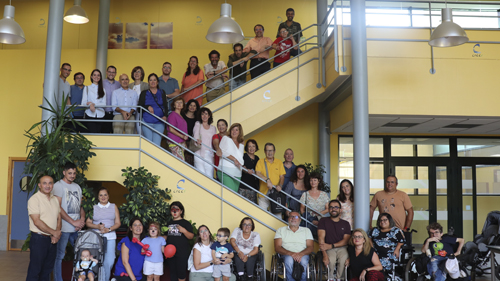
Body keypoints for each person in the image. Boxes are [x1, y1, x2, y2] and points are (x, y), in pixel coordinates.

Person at [52, 162, 85, 281]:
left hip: (76, 229)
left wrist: (81, 220)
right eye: (69, 173)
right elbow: (58, 207)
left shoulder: (77, 187)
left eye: (74, 173)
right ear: (64, 172)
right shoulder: (58, 186)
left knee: (82, 255)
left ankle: (78, 278)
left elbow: (80, 206)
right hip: (64, 228)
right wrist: (73, 222)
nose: (72, 175)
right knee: (59, 256)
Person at [26, 175, 61, 281]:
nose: (47, 185)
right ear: (39, 185)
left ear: (53, 185)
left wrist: (56, 234)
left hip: (52, 240)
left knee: (47, 271)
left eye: (50, 183)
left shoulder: (55, 199)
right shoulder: (34, 199)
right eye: (44, 183)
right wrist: (53, 233)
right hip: (39, 239)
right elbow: (36, 221)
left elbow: (59, 218)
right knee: (35, 271)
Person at [85, 187, 121, 281]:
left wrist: (108, 229)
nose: (103, 197)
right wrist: (97, 227)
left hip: (110, 236)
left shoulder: (113, 206)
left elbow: (118, 223)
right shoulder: (93, 207)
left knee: (110, 260)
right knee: (96, 260)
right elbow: (88, 223)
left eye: (105, 194)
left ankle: (104, 279)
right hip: (96, 237)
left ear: (108, 196)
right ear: (98, 197)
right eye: (101, 195)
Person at [274, 211, 314, 281]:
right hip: (287, 254)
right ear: (288, 219)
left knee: (304, 261)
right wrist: (291, 254)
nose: (293, 218)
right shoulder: (280, 230)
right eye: (291, 216)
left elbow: (310, 247)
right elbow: (277, 247)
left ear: (300, 220)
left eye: (296, 217)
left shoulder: (306, 230)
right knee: (289, 260)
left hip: (303, 253)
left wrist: (301, 254)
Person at [318, 199, 351, 281]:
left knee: (343, 260)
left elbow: (345, 241)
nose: (334, 209)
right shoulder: (323, 221)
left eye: (336, 207)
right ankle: (330, 278)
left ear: (340, 210)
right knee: (331, 261)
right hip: (328, 248)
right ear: (329, 209)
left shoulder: (346, 223)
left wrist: (332, 245)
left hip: (342, 248)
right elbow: (321, 238)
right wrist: (324, 254)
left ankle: (339, 279)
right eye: (331, 207)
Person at [165, 202, 195, 281]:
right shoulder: (168, 223)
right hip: (170, 254)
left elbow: (191, 236)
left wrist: (184, 231)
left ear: (181, 211)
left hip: (182, 253)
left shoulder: (186, 223)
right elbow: (165, 237)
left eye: (177, 209)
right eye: (172, 209)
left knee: (181, 275)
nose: (174, 212)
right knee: (172, 274)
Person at [255, 143, 285, 216]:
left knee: (277, 217)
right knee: (262, 216)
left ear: (274, 151)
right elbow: (257, 173)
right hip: (263, 194)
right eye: (268, 150)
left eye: (271, 150)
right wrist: (267, 180)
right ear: (265, 151)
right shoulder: (260, 162)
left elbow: (282, 176)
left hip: (275, 194)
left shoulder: (279, 162)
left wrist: (280, 186)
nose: (269, 153)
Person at [138, 73, 168, 146]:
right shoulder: (144, 93)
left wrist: (165, 116)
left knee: (156, 145)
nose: (153, 82)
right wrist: (147, 106)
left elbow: (165, 106)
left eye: (154, 80)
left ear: (157, 82)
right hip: (146, 122)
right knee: (149, 144)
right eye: (150, 80)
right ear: (148, 82)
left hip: (159, 122)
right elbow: (139, 108)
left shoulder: (162, 92)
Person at [299, 172, 330, 236]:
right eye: (311, 180)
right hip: (309, 221)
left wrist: (318, 214)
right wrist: (311, 219)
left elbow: (328, 209)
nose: (313, 182)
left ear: (319, 181)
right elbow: (302, 210)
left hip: (321, 220)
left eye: (315, 180)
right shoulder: (305, 194)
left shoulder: (324, 194)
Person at [217, 123, 245, 192]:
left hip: (237, 173)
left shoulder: (241, 144)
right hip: (225, 171)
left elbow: (240, 158)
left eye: (236, 130)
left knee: (234, 196)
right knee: (231, 194)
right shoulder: (226, 138)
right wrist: (234, 159)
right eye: (232, 129)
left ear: (239, 132)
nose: (234, 131)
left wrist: (241, 165)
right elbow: (222, 151)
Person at [81, 69, 107, 133]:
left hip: (100, 115)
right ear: (91, 77)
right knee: (92, 134)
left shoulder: (103, 89)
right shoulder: (87, 88)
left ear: (100, 77)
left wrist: (93, 104)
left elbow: (104, 104)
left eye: (98, 75)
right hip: (90, 114)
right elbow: (83, 103)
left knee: (98, 135)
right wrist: (90, 105)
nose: (96, 77)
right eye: (94, 75)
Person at [193, 107, 216, 177]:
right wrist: (197, 141)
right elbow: (195, 135)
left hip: (209, 154)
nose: (204, 116)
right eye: (202, 114)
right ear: (200, 116)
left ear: (209, 116)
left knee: (209, 175)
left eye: (206, 114)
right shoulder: (198, 124)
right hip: (199, 152)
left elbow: (214, 141)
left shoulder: (213, 128)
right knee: (201, 175)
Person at [103, 65, 121, 133]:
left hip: (115, 113)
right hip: (104, 113)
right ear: (106, 72)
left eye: (113, 72)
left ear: (116, 73)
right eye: (109, 72)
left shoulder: (119, 84)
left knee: (115, 134)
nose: (111, 74)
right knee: (104, 134)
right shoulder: (101, 83)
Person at [182, 99, 200, 165]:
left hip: (191, 142)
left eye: (194, 106)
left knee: (189, 161)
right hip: (181, 139)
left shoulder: (197, 119)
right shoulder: (182, 115)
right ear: (188, 106)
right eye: (191, 105)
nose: (192, 107)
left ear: (196, 108)